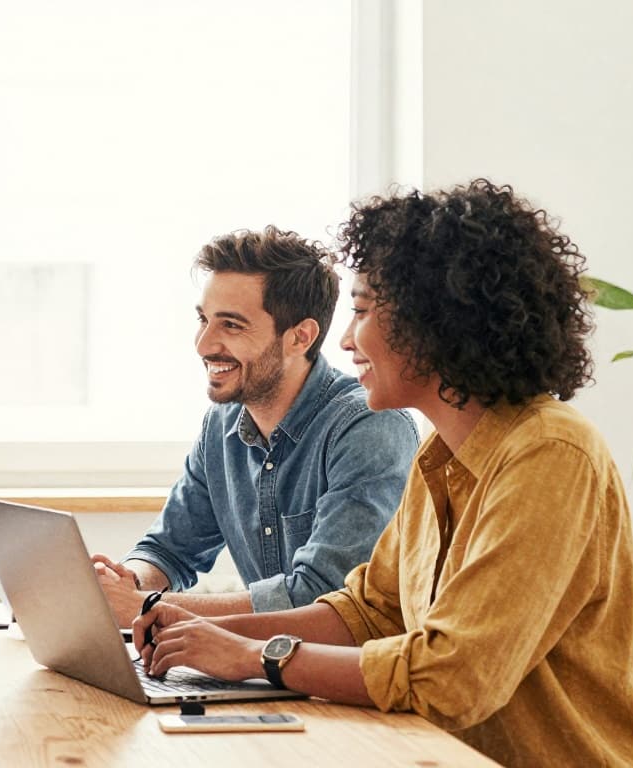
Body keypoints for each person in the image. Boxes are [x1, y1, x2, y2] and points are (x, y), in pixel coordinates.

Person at [135, 180, 633, 767]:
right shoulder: (439, 460)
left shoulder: (551, 453)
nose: (347, 339)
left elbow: (452, 678)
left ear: (434, 323)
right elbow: (365, 614)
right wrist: (201, 634)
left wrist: (257, 656)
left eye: (361, 311)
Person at [93, 227, 418, 625]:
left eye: (231, 325)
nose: (203, 344)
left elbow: (324, 597)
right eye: (204, 320)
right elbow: (169, 550)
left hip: (350, 677)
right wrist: (124, 582)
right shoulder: (222, 425)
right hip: (270, 669)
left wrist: (148, 609)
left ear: (300, 337)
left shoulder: (369, 428)